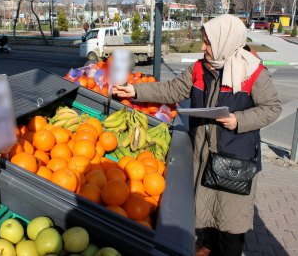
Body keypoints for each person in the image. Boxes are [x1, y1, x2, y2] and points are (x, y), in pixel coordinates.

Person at [112, 14, 282, 256]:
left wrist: (238, 120)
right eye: (204, 41)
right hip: (203, 158)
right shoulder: (199, 69)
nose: (203, 47)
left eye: (208, 42)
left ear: (226, 41)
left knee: (230, 230)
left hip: (235, 161)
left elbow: (272, 108)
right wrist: (134, 90)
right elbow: (172, 90)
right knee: (207, 215)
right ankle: (207, 246)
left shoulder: (253, 73)